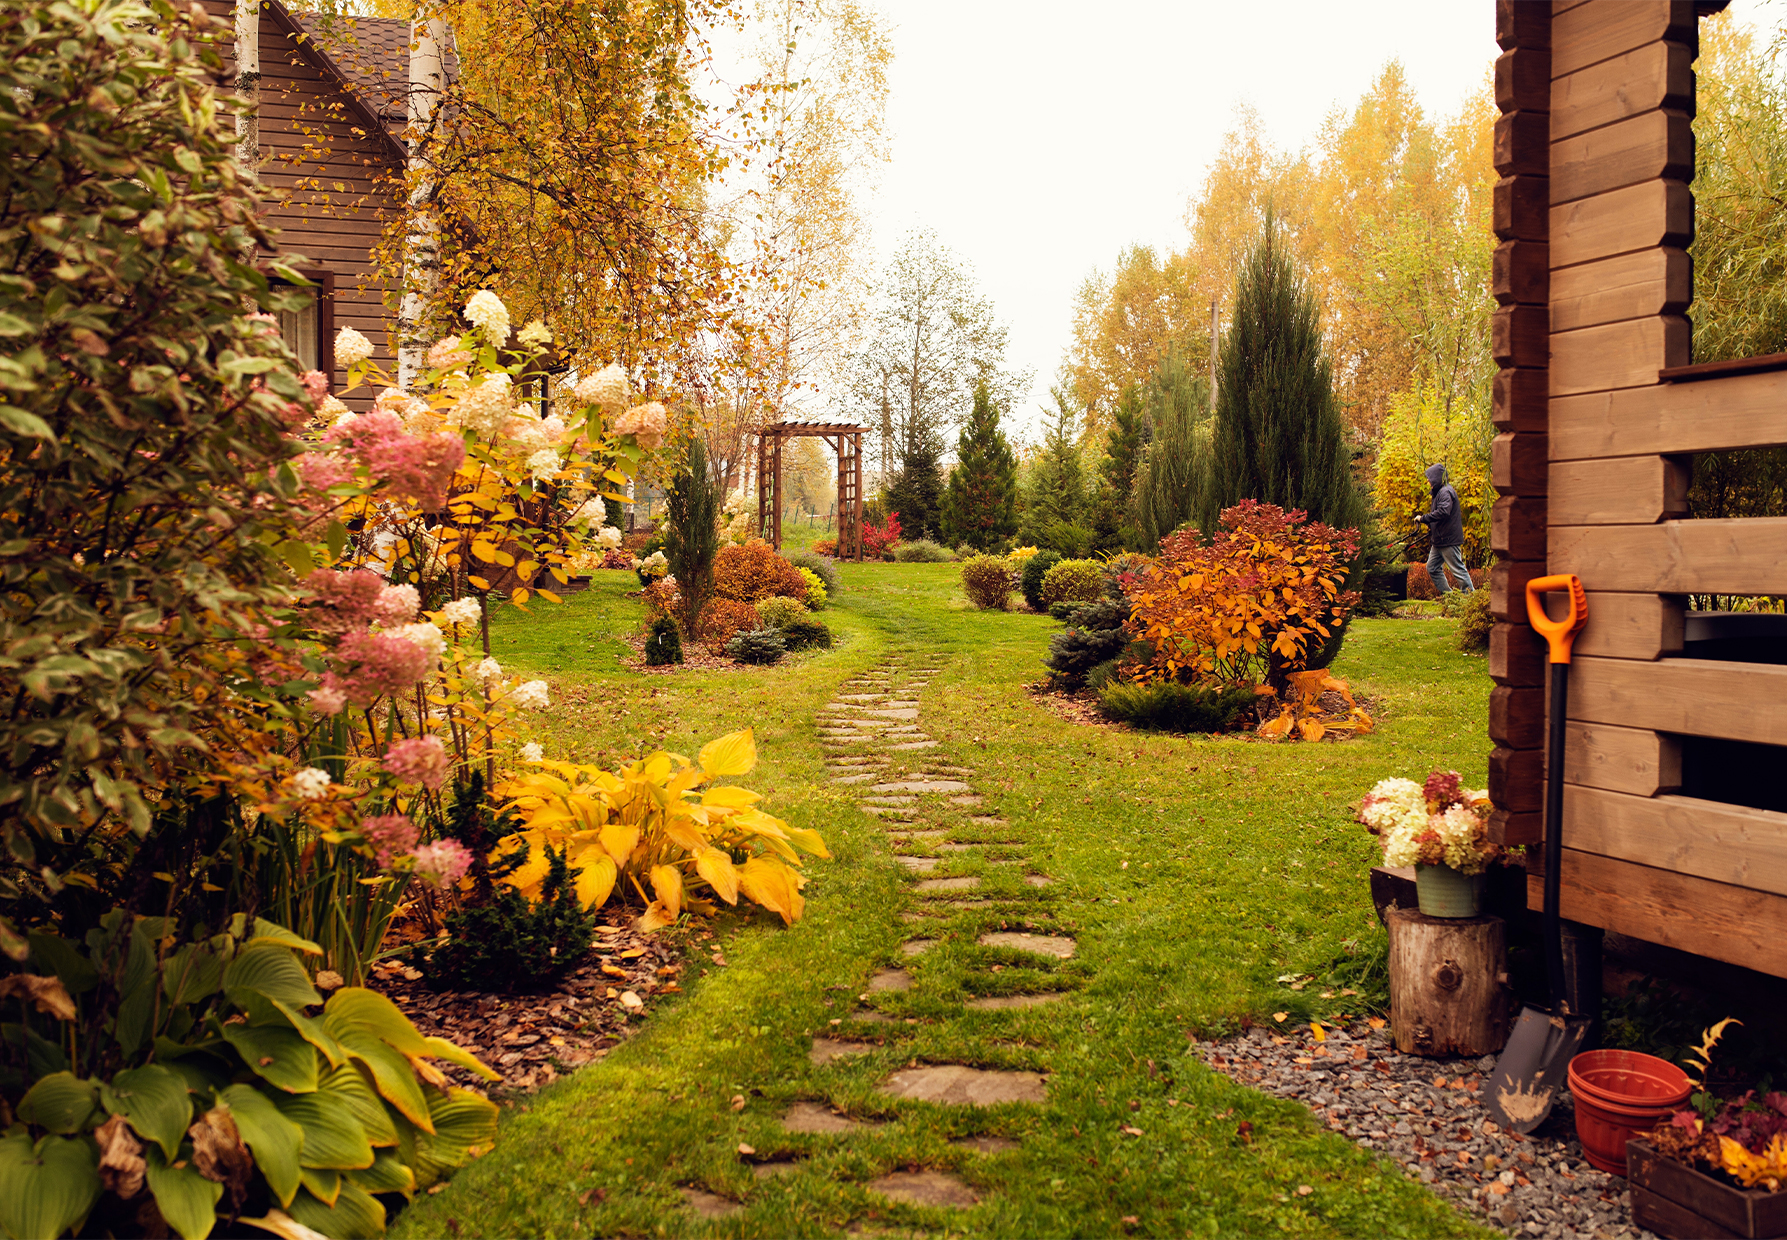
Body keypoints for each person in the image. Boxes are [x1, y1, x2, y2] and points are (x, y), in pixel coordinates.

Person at [1415, 462, 1473, 594]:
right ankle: (1448, 597)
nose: (1428, 481)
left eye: (1429, 478)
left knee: (1458, 569)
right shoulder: (1438, 492)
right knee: (1432, 568)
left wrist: (1423, 518)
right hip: (1439, 540)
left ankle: (1470, 599)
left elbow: (1443, 511)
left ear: (1436, 477)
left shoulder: (1446, 492)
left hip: (1448, 539)